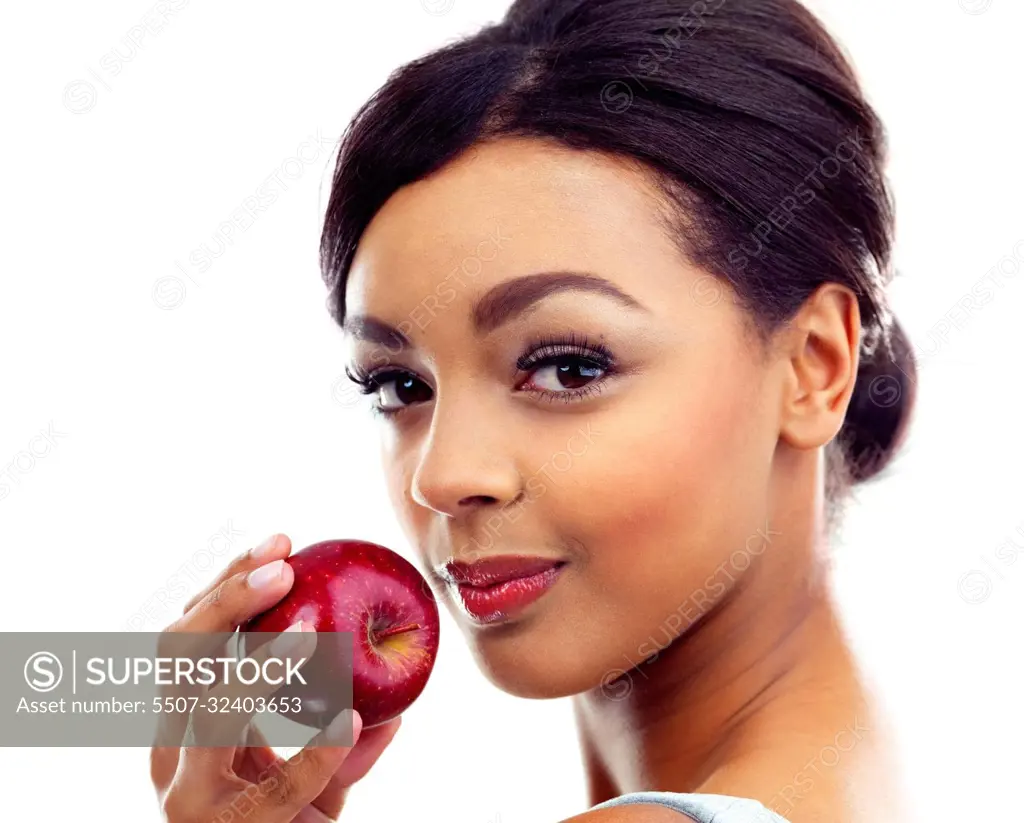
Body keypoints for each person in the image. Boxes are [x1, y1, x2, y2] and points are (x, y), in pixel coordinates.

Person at [150, 0, 916, 820]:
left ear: (814, 367)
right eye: (399, 386)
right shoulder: (874, 766)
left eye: (568, 367)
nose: (442, 477)